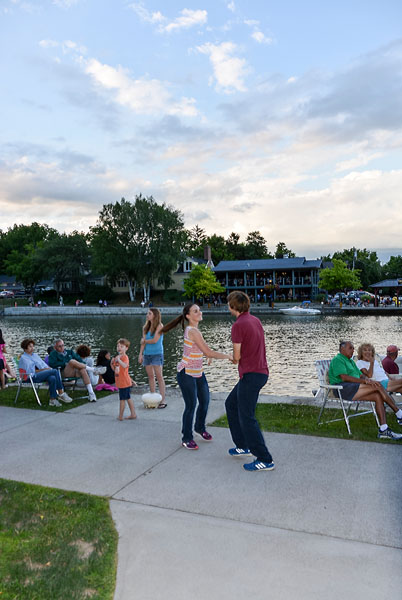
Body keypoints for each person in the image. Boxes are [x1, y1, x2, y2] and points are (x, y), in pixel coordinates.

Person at [162, 303, 232, 450]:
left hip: (198, 372)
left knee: (205, 401)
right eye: (195, 311)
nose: (200, 312)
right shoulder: (192, 330)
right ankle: (186, 438)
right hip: (186, 373)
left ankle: (199, 427)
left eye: (199, 310)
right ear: (188, 316)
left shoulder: (196, 330)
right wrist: (228, 356)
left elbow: (201, 349)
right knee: (191, 405)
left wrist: (208, 355)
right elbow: (208, 351)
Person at [225, 291, 274, 471]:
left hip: (251, 375)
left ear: (233, 306)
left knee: (247, 417)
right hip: (259, 372)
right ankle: (243, 445)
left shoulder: (238, 325)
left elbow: (237, 356)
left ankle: (265, 459)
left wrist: (230, 357)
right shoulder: (255, 320)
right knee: (231, 404)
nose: (227, 306)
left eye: (228, 303)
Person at [329, 340, 402, 440]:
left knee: (377, 395)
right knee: (378, 386)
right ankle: (399, 413)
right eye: (350, 348)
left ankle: (383, 430)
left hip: (353, 387)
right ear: (342, 349)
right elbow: (344, 377)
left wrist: (368, 380)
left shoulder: (351, 361)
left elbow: (361, 375)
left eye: (353, 348)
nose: (353, 350)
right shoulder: (338, 359)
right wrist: (365, 381)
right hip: (342, 388)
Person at [18, 339, 73, 407]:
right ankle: (61, 393)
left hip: (38, 375)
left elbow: (43, 365)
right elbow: (30, 372)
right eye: (30, 346)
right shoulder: (24, 358)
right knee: (55, 371)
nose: (32, 348)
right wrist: (45, 370)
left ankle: (52, 400)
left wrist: (47, 369)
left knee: (52, 378)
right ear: (25, 348)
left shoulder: (35, 355)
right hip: (29, 377)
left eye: (33, 346)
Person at [139, 308, 166, 409]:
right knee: (150, 376)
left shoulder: (160, 326)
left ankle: (162, 400)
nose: (147, 315)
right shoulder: (145, 327)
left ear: (155, 315)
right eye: (147, 313)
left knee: (159, 377)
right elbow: (143, 343)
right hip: (147, 354)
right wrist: (140, 354)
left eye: (149, 313)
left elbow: (155, 340)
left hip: (157, 354)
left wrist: (144, 341)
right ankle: (153, 399)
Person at [111, 338, 137, 421]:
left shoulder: (125, 357)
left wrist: (119, 360)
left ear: (126, 348)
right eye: (118, 346)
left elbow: (125, 366)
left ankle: (120, 416)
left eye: (121, 346)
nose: (119, 348)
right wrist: (112, 363)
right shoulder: (117, 357)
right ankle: (133, 414)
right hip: (120, 381)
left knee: (122, 399)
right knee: (128, 398)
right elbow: (115, 370)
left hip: (124, 382)